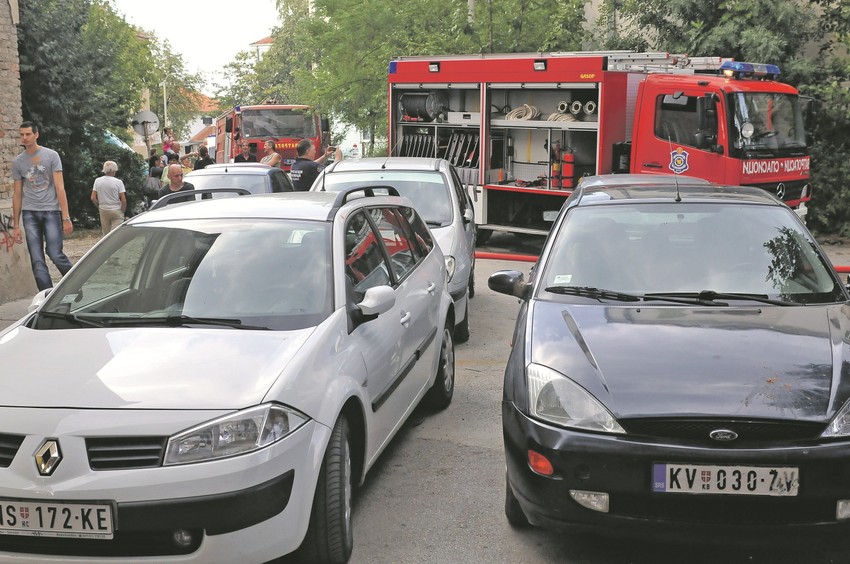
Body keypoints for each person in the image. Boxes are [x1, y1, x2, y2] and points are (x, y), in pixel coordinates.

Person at [10, 121, 74, 291]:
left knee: (54, 253)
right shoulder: (18, 162)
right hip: (29, 212)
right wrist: (16, 225)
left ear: (36, 135)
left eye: (28, 134)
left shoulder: (51, 156)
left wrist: (65, 216)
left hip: (51, 211)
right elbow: (17, 194)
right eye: (22, 134)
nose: (24, 137)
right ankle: (46, 296)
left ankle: (77, 285)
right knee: (36, 259)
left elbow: (60, 187)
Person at [90, 161, 127, 236]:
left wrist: (99, 206)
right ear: (114, 170)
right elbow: (123, 200)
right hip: (116, 209)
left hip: (103, 209)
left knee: (106, 234)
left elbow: (93, 197)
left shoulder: (97, 181)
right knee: (116, 234)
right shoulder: (118, 182)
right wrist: (123, 210)